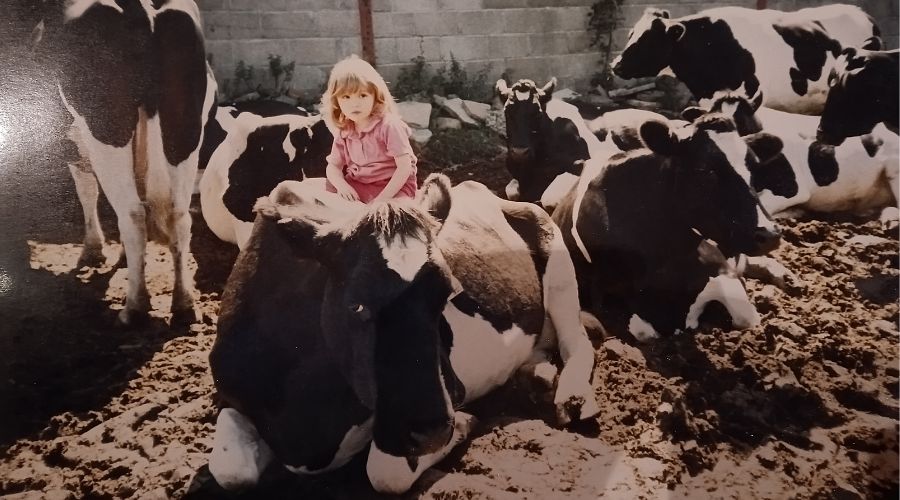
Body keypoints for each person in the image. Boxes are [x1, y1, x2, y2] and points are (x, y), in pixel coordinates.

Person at [320, 55, 417, 204]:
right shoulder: (345, 130)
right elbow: (333, 166)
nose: (355, 104)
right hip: (360, 184)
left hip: (393, 185)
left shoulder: (388, 126)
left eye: (362, 95)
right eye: (346, 97)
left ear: (376, 96)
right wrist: (343, 186)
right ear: (336, 102)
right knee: (327, 201)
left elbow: (404, 167)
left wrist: (383, 199)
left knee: (389, 216)